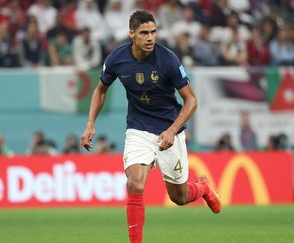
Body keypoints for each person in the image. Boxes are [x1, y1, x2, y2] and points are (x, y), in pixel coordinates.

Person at [80, 10, 221, 243]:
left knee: (180, 197)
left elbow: (192, 100)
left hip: (169, 130)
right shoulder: (117, 59)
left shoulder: (168, 60)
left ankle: (203, 188)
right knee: (135, 182)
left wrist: (172, 130)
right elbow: (100, 89)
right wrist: (90, 124)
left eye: (153, 32)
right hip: (138, 128)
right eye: (144, 33)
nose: (150, 38)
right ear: (131, 34)